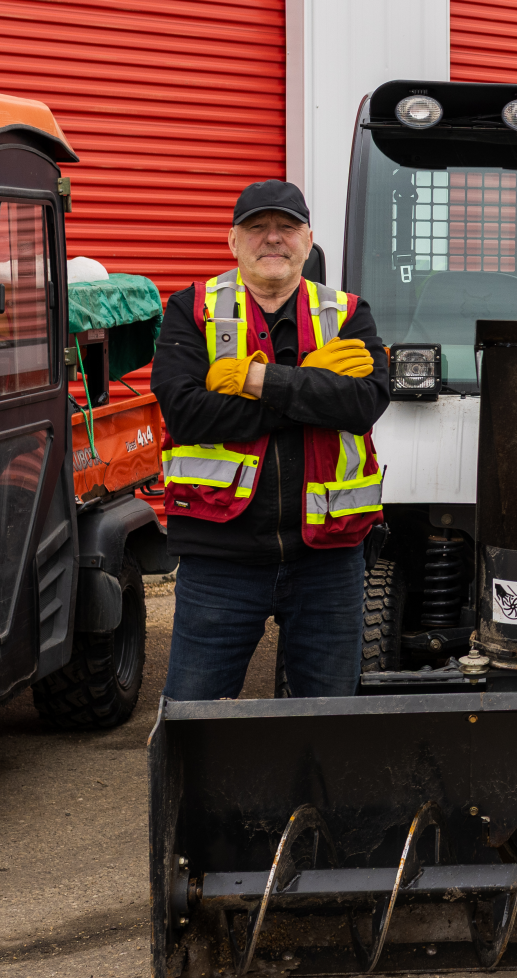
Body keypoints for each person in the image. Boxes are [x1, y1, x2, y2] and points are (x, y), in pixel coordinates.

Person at [153, 180, 390, 700]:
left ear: (308, 240)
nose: (272, 239)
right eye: (257, 227)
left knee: (324, 728)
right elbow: (187, 413)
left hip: (329, 558)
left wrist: (261, 380)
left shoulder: (347, 313)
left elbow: (364, 404)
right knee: (195, 727)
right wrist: (312, 388)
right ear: (233, 242)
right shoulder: (191, 310)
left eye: (287, 227)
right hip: (221, 558)